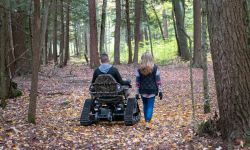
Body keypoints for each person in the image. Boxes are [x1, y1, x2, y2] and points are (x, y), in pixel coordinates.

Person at [135, 52, 163, 130]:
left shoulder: (139, 69)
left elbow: (137, 82)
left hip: (143, 90)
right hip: (152, 90)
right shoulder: (155, 68)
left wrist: (136, 92)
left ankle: (146, 121)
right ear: (151, 58)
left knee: (145, 105)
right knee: (150, 106)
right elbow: (158, 81)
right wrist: (160, 90)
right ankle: (147, 121)